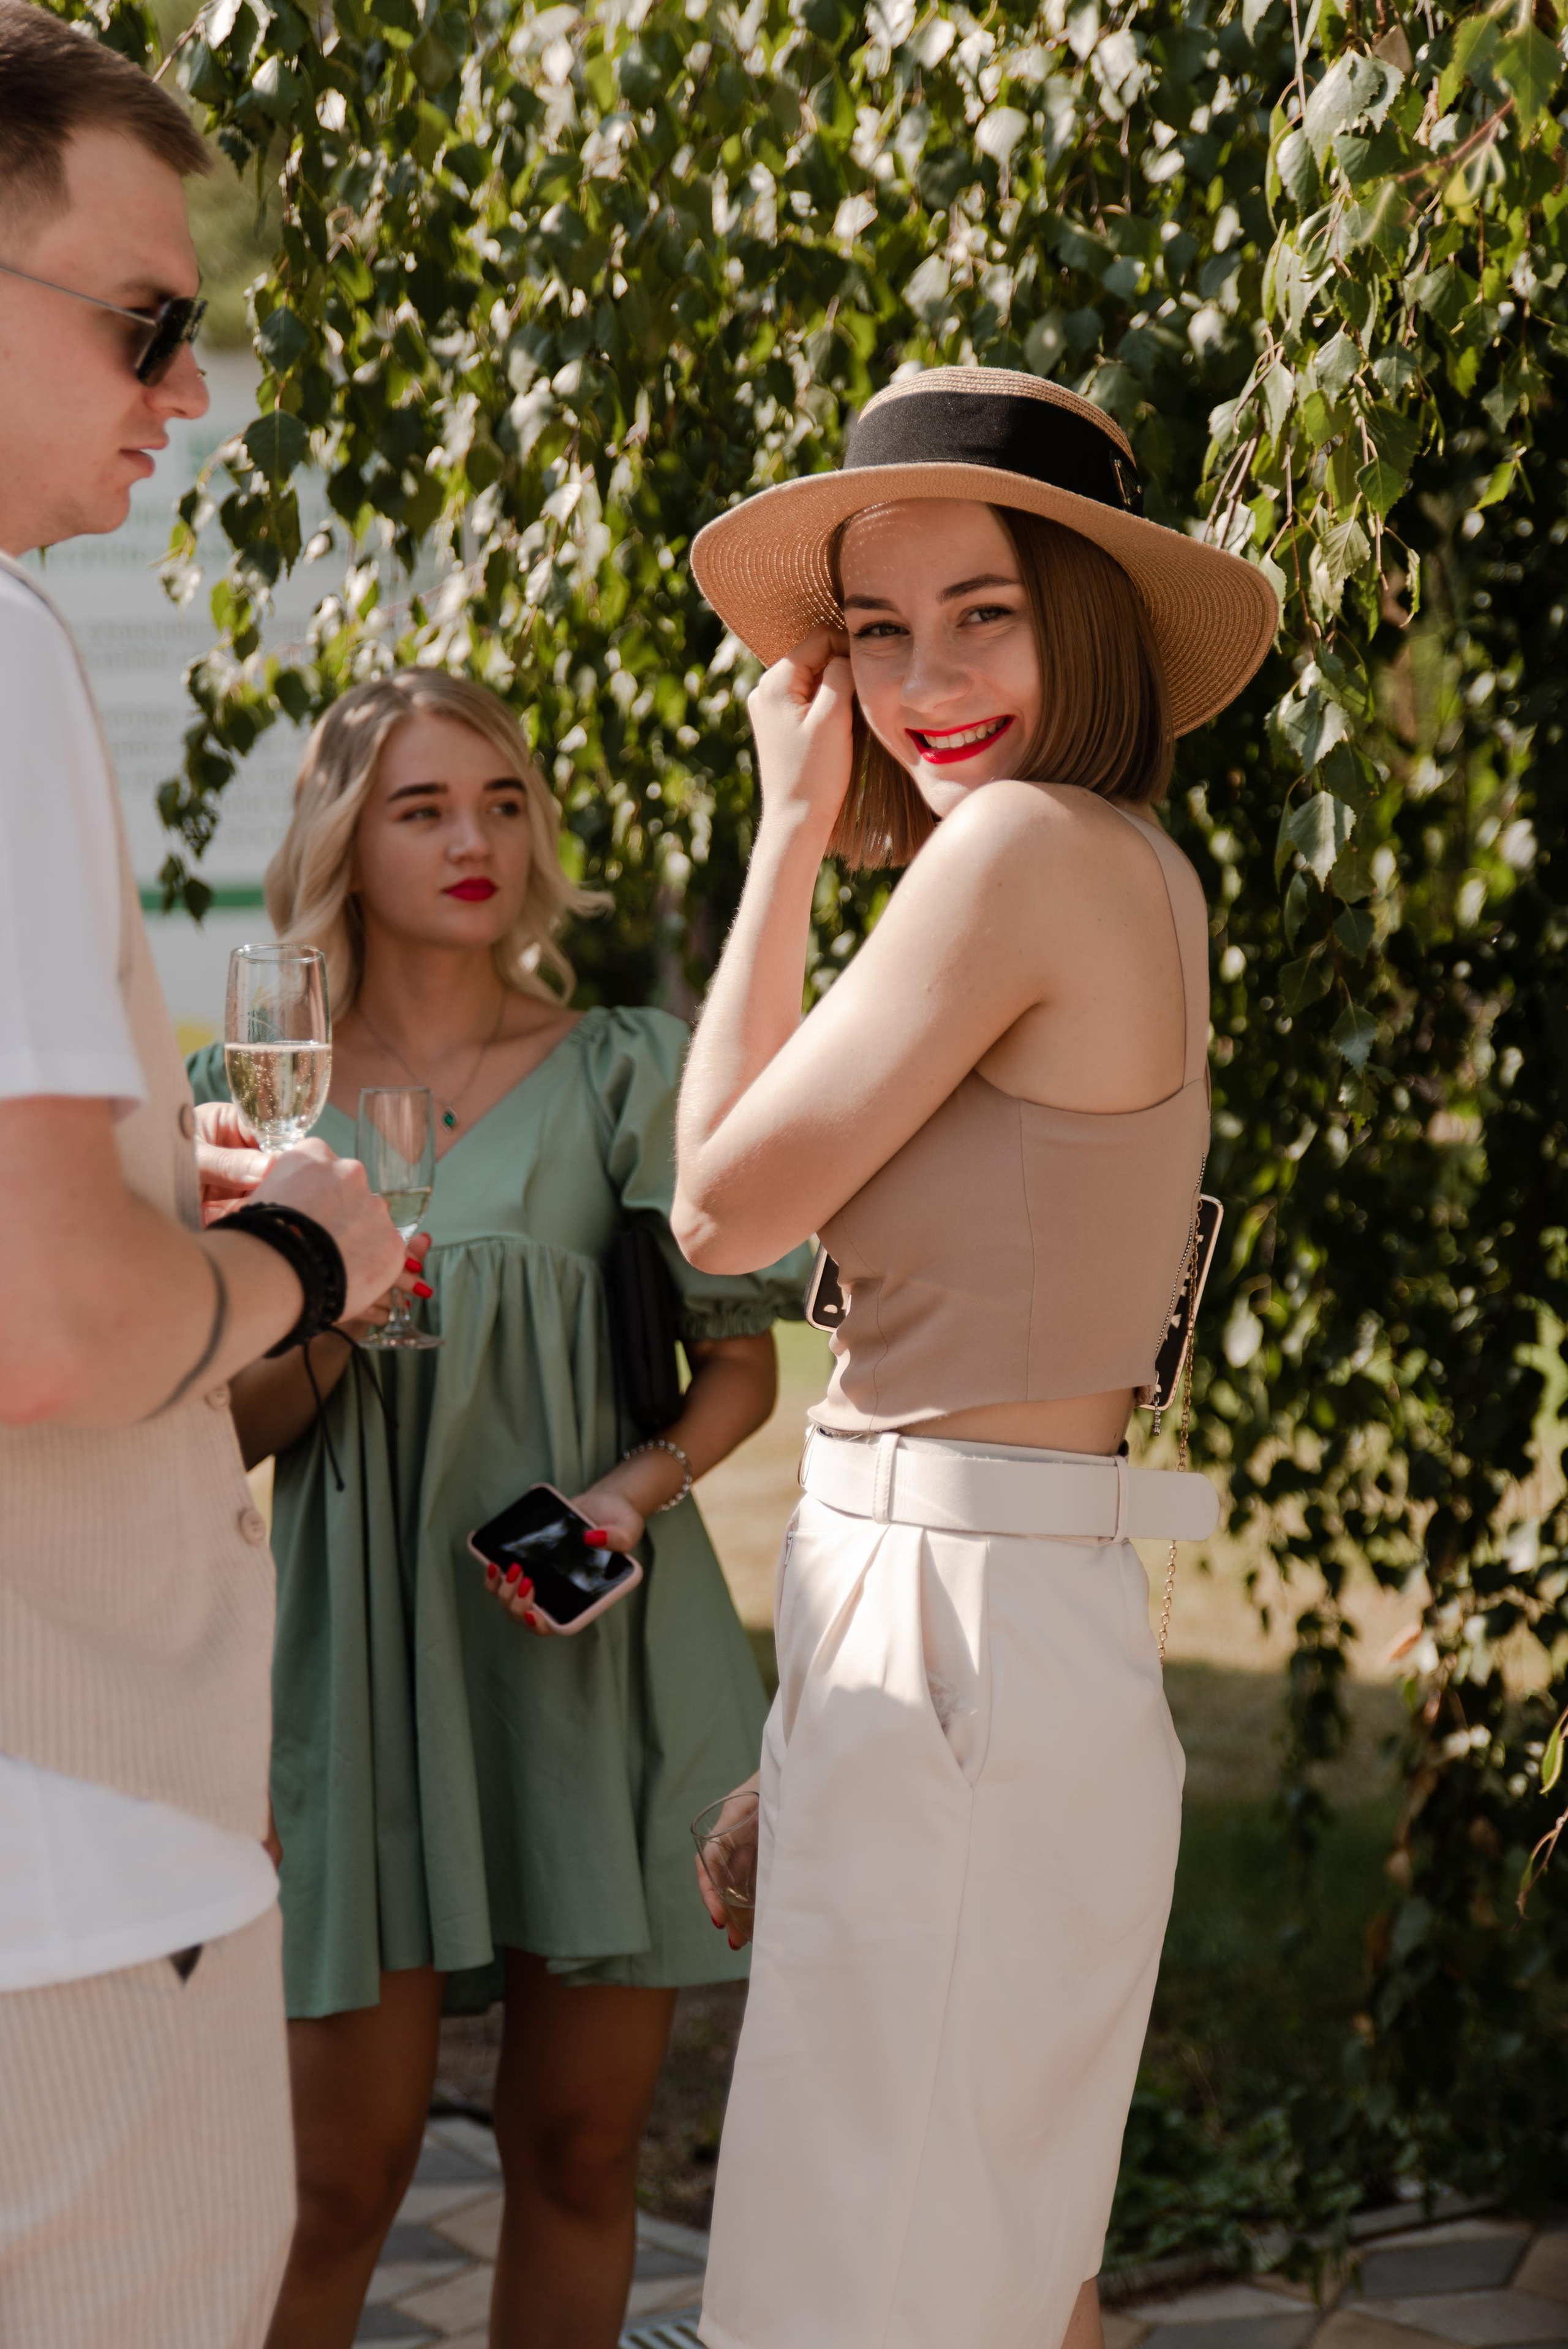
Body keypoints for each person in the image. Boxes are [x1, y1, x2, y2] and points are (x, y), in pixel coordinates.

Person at [673, 366, 1278, 2349]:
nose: (925, 676)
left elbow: (719, 1207)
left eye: (984, 613)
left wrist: (783, 830)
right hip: (970, 1623)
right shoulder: (1110, 864)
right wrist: (816, 1732)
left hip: (965, 1637)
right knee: (995, 2281)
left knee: (877, 2296)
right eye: (876, 630)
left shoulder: (1019, 855)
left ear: (1086, 618)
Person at [186, 668, 811, 2349]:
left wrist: (618, 1493)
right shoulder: (255, 1086)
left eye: (504, 801)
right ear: (341, 835)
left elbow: (740, 1365)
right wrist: (325, 1308)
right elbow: (223, 1426)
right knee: (333, 2175)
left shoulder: (626, 1069)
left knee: (580, 2150)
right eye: (422, 805)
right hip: (361, 1672)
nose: (475, 838)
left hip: (588, 1667)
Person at [0, 10, 408, 2346]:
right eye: (147, 320)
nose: (186, 390)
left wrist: (152, 1195)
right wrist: (286, 1253)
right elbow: (46, 1327)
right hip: (64, 1891)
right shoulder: (13, 654)